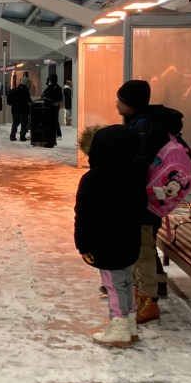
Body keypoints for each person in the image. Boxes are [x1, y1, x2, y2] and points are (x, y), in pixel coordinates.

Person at [116, 79, 186, 324]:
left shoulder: (145, 126)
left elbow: (138, 162)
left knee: (142, 249)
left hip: (142, 198)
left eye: (121, 100)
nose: (117, 103)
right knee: (141, 246)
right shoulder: (148, 121)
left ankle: (148, 301)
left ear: (131, 103)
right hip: (147, 196)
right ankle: (143, 293)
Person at [74, 125, 145, 347]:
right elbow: (141, 207)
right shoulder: (134, 175)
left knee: (113, 285)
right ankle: (130, 323)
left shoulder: (93, 179)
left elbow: (84, 214)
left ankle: (119, 327)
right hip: (130, 240)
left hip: (105, 242)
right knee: (125, 281)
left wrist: (83, 244)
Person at [7, 76, 32, 142]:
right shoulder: (25, 90)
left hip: (15, 110)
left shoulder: (15, 90)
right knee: (24, 124)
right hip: (23, 110)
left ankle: (12, 136)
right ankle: (22, 137)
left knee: (15, 124)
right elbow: (28, 100)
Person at [42, 74, 63, 138]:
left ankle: (58, 133)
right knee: (52, 119)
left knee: (54, 119)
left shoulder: (57, 88)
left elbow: (59, 97)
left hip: (54, 105)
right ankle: (53, 133)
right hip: (49, 105)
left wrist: (53, 100)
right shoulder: (50, 87)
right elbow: (43, 94)